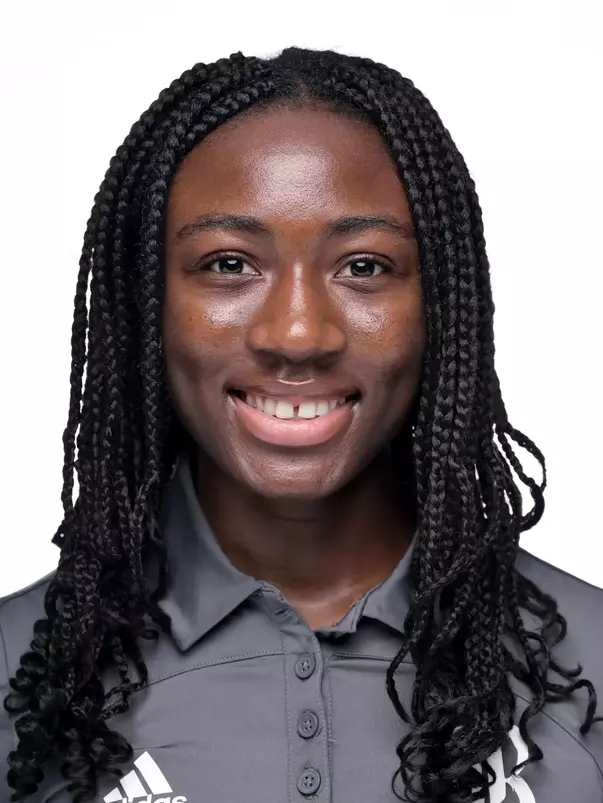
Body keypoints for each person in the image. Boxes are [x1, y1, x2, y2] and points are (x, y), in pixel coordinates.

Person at [1, 46, 601, 803]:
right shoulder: (22, 674)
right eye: (227, 263)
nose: (296, 333)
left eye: (363, 266)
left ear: (442, 309)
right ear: (146, 305)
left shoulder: (587, 667)